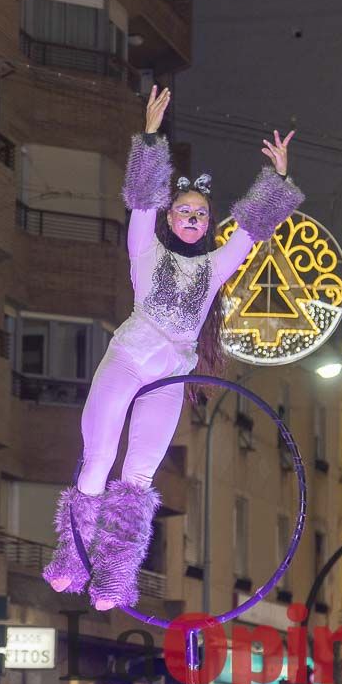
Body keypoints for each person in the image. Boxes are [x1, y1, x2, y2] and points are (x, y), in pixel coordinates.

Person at [42, 86, 304, 610]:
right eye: (183, 210)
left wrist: (275, 179)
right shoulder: (144, 245)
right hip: (129, 358)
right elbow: (141, 197)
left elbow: (249, 233)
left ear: (208, 225)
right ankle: (73, 559)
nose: (192, 219)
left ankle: (113, 576)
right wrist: (151, 135)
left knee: (137, 477)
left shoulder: (213, 268)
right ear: (168, 217)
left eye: (201, 215)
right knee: (97, 460)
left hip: (171, 375)